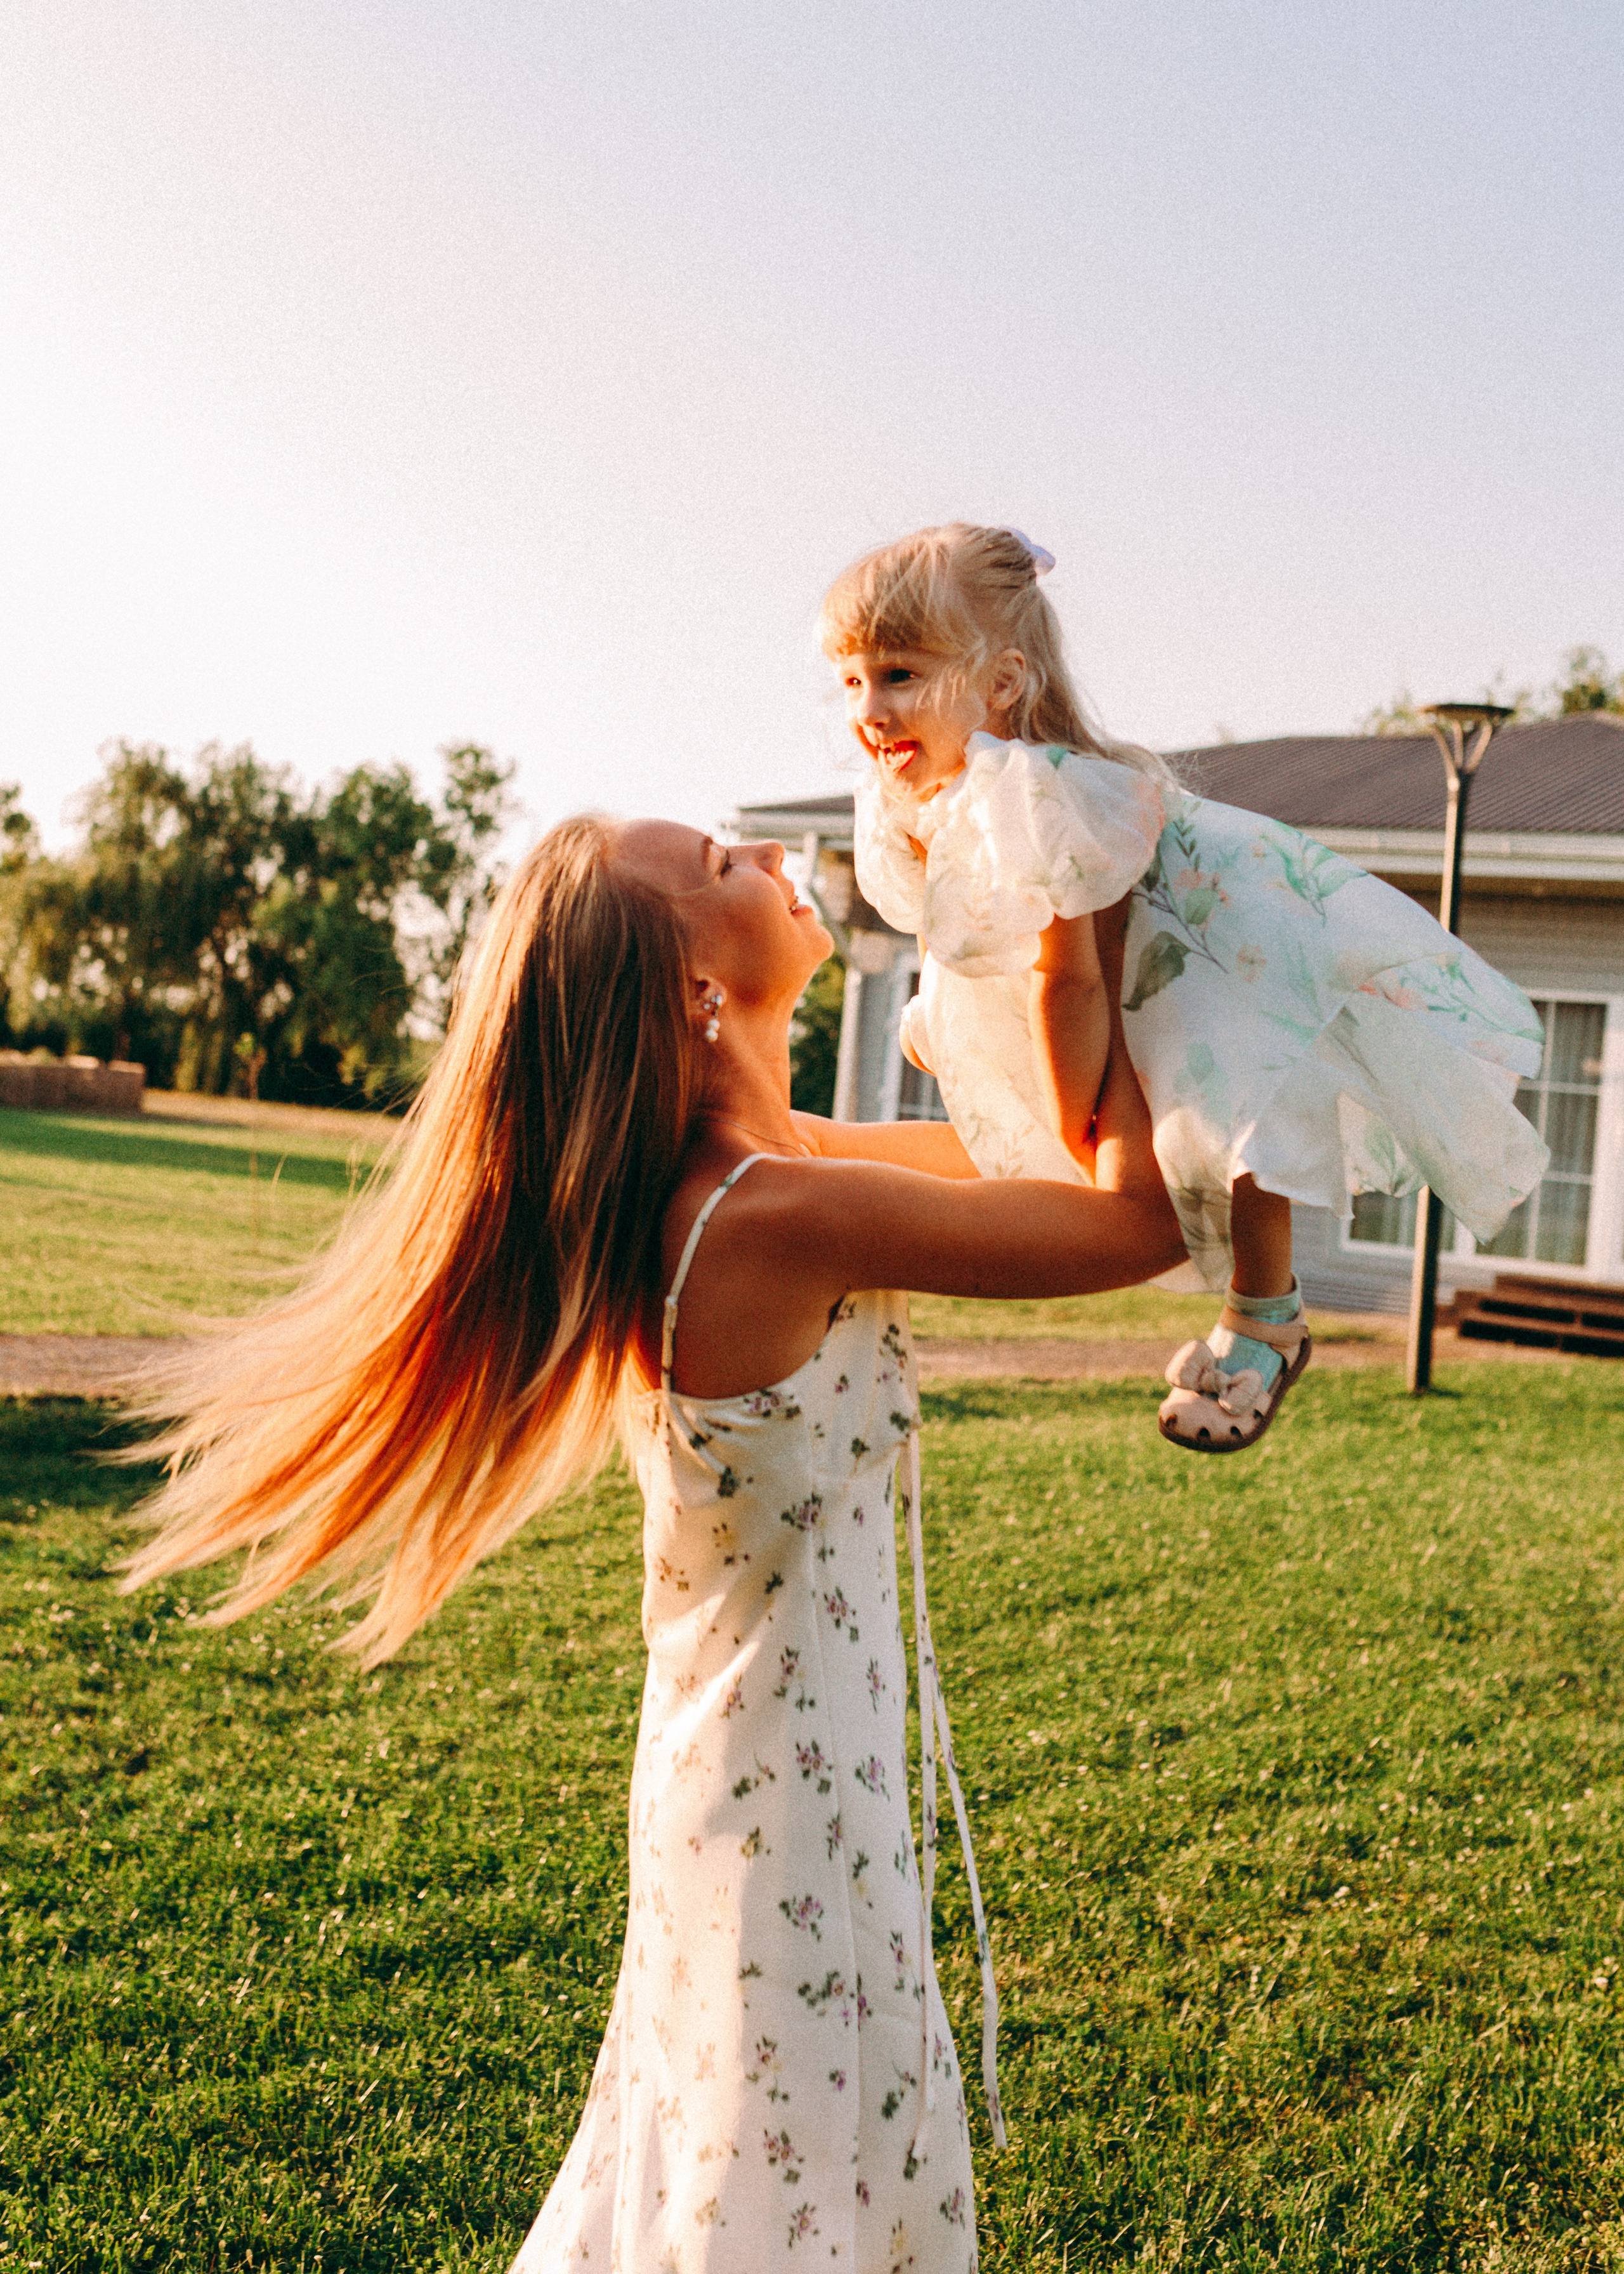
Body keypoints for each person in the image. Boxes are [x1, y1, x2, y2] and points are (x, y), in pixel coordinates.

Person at [121, 812, 1186, 2271]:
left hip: (784, 1771)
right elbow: (1135, 1226)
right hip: (779, 1802)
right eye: (720, 863)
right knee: (772, 2201)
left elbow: (1042, 1158)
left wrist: (1072, 954)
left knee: (751, 2184)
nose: (767, 852)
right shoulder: (761, 1216)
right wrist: (1097, 934)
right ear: (696, 987)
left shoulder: (781, 1167)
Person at [823, 522, 1550, 1454]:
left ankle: (1266, 1313)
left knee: (1240, 1099)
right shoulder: (933, 794)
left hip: (1197, 967)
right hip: (1114, 994)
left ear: (1001, 683)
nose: (871, 710)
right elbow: (970, 933)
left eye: (899, 675)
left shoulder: (1035, 793)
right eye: (852, 681)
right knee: (1110, 1115)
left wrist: (1074, 1115)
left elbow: (1068, 980)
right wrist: (947, 1023)